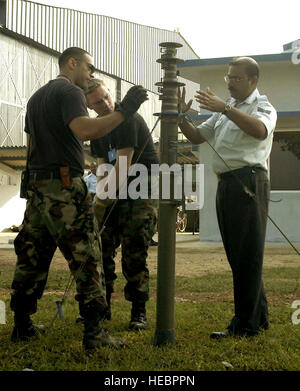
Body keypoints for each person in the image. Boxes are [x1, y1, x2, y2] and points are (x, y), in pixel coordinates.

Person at [10, 46, 148, 351]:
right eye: (89, 67)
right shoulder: (70, 92)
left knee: (31, 256)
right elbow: (84, 130)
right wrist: (125, 110)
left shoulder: (36, 98)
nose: (91, 74)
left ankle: (22, 324)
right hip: (64, 189)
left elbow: (31, 145)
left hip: (38, 188)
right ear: (72, 63)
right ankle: (95, 332)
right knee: (88, 257)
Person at [178, 57, 277, 338]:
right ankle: (259, 318)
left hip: (249, 182)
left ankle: (245, 326)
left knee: (247, 256)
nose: (230, 83)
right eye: (228, 78)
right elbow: (197, 136)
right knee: (239, 256)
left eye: (236, 78)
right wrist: (181, 117)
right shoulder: (224, 112)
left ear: (253, 80)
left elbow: (259, 131)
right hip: (227, 185)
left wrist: (226, 107)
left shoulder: (262, 107)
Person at [84, 78, 158, 330]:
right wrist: (100, 200)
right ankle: (101, 308)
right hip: (114, 191)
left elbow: (123, 165)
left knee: (134, 253)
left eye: (106, 96)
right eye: (98, 101)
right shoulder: (97, 129)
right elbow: (104, 166)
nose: (105, 103)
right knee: (101, 251)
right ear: (89, 106)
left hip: (138, 194)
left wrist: (102, 200)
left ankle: (139, 311)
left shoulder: (128, 119)